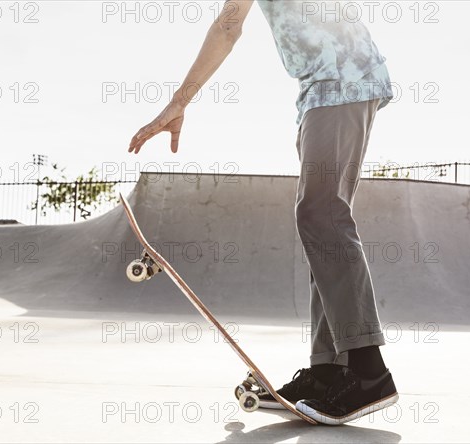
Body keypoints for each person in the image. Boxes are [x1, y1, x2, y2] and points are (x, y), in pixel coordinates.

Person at [128, 0, 398, 425]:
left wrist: (178, 101)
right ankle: (328, 371)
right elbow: (228, 25)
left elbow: (227, 28)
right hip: (318, 91)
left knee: (321, 213)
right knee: (319, 223)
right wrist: (180, 101)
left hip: (346, 78)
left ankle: (368, 371)